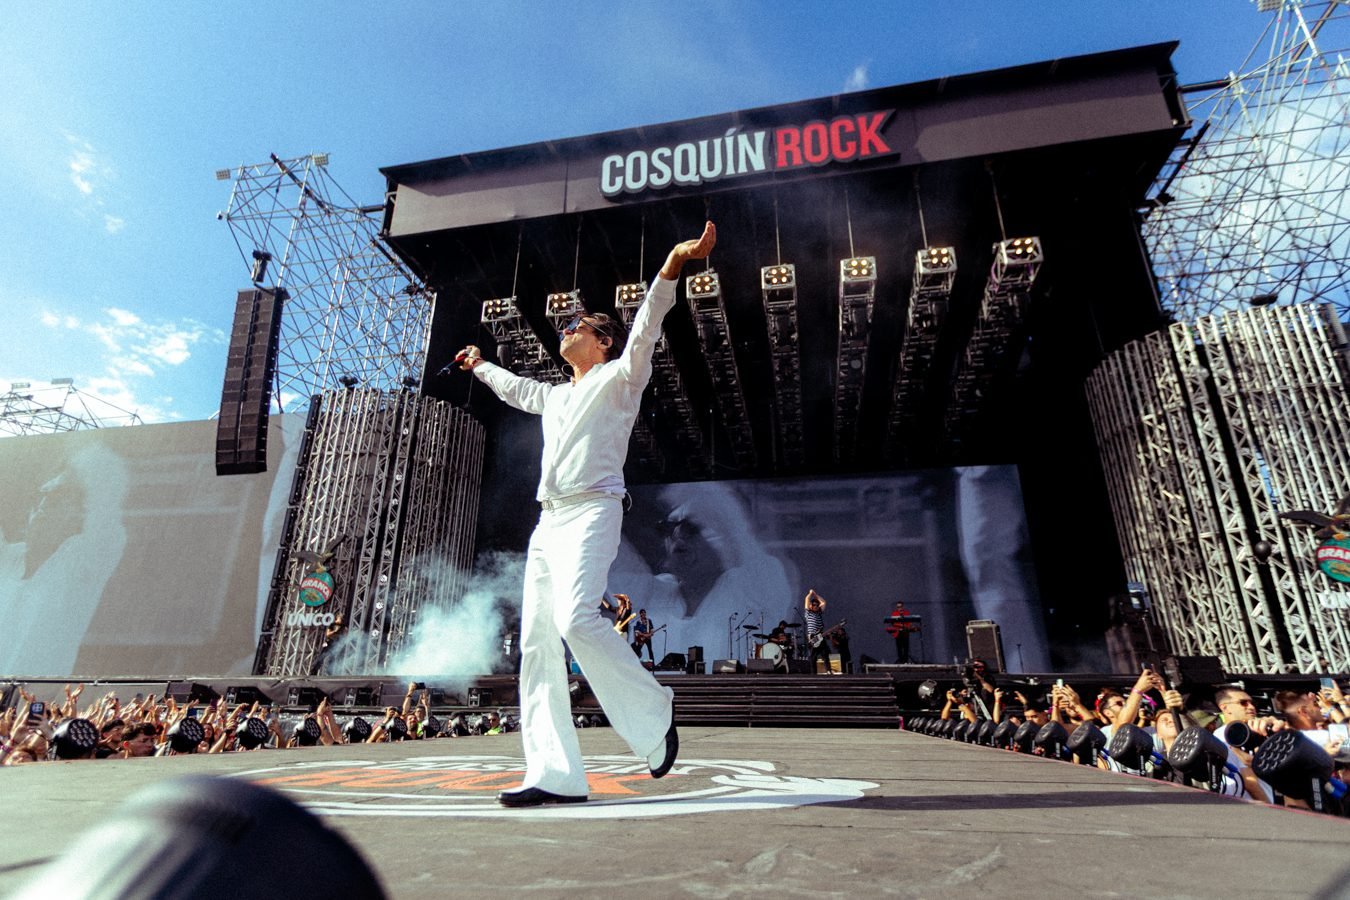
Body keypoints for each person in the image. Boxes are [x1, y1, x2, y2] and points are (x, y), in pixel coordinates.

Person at [457, 221, 716, 808]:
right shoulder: (555, 395)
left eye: (576, 326)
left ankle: (653, 713)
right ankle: (555, 774)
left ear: (601, 340)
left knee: (576, 618)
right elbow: (516, 389)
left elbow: (647, 327)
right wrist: (479, 365)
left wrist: (673, 264)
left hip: (594, 509)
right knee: (536, 644)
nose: (565, 330)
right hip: (548, 522)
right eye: (564, 327)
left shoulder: (620, 379)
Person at [804, 589, 832, 674]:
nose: (816, 606)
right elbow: (807, 600)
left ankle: (828, 670)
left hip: (820, 635)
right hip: (812, 636)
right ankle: (814, 674)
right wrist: (810, 593)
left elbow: (823, 602)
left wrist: (815, 595)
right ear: (811, 606)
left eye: (817, 605)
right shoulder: (808, 613)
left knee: (825, 654)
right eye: (814, 605)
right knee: (813, 656)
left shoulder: (819, 613)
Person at [885, 599, 916, 664]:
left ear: (903, 607)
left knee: (906, 647)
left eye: (900, 607)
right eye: (898, 607)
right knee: (899, 647)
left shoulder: (906, 613)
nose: (899, 608)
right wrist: (902, 625)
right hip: (898, 632)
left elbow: (909, 623)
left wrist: (907, 626)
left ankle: (905, 661)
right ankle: (901, 661)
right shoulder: (894, 613)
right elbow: (894, 623)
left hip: (905, 632)